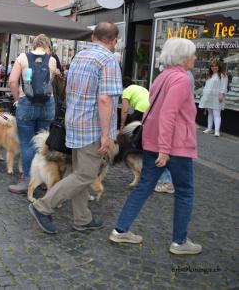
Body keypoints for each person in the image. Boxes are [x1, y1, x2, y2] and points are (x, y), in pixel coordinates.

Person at [109, 38, 202, 255]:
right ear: (183, 57)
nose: (195, 58)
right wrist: (165, 148)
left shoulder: (162, 77)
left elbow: (156, 109)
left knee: (144, 187)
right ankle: (180, 242)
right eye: (193, 54)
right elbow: (169, 114)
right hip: (173, 146)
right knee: (185, 191)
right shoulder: (181, 79)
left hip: (154, 141)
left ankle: (120, 230)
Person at [28, 22, 122, 233]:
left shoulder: (79, 56)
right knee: (86, 175)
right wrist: (106, 135)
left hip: (73, 123)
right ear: (114, 40)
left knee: (80, 172)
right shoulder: (108, 60)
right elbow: (105, 100)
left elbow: (69, 91)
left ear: (93, 38)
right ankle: (43, 206)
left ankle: (82, 218)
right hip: (91, 128)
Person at [8, 34, 58, 194]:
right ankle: (43, 179)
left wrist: (17, 99)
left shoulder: (22, 57)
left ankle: (28, 179)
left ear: (34, 45)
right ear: (47, 46)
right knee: (42, 143)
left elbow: (12, 81)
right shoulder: (51, 60)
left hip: (26, 103)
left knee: (26, 143)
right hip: (46, 105)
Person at [199, 59, 228, 137]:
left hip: (217, 96)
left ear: (219, 66)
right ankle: (209, 128)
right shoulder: (210, 75)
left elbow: (223, 86)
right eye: (212, 66)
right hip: (209, 96)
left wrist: (221, 94)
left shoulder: (222, 75)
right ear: (210, 67)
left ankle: (217, 131)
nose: (214, 68)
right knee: (210, 113)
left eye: (216, 66)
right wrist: (203, 94)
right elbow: (206, 86)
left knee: (217, 114)